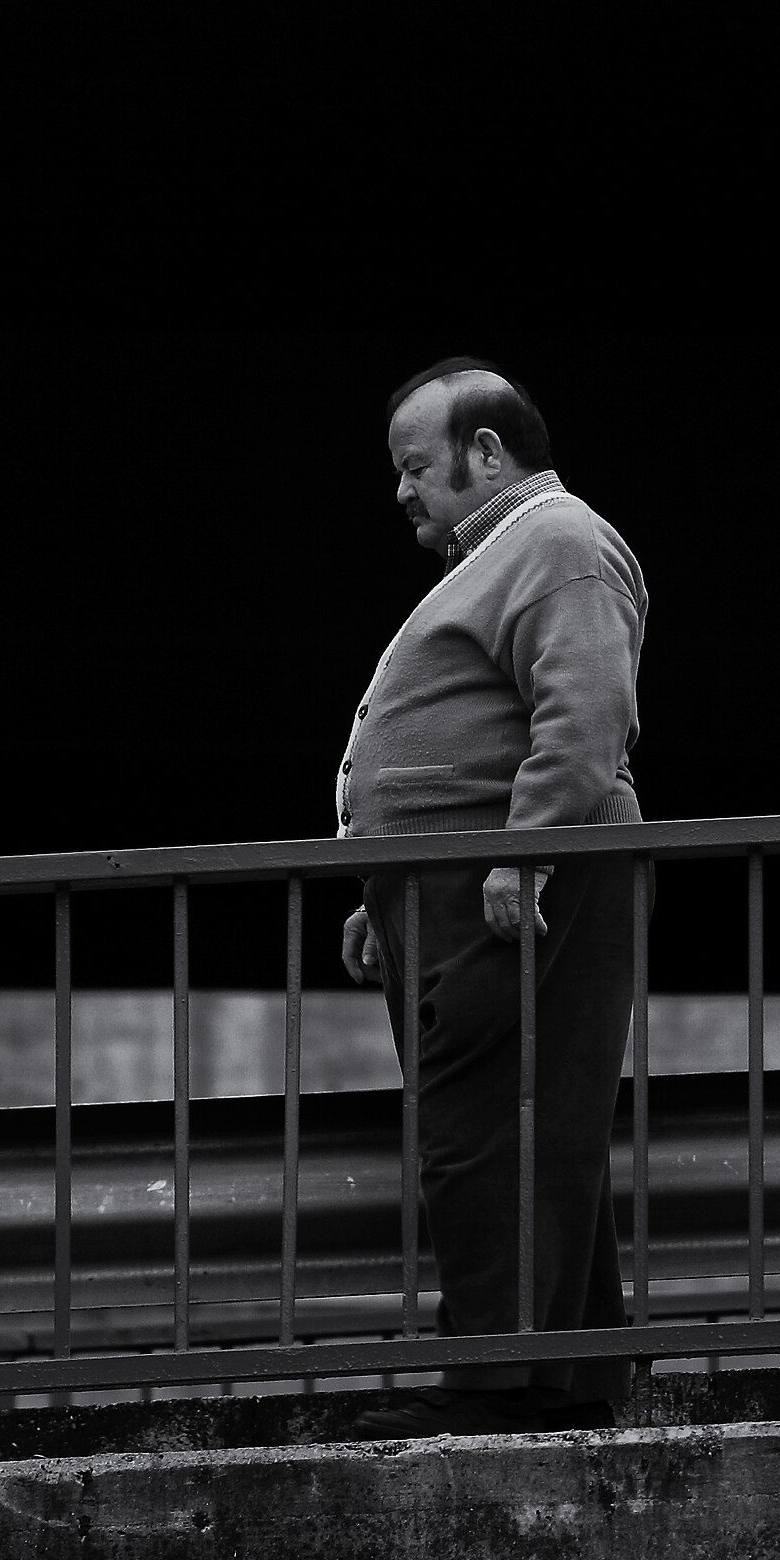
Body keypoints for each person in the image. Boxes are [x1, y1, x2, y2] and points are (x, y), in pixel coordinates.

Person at [336, 356, 651, 1439]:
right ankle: (568, 1384)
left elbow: (584, 711)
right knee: (535, 1128)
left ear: (485, 453)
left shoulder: (558, 542)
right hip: (465, 889)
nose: (401, 490)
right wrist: (380, 894)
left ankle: (491, 1388)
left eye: (416, 466)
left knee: (486, 1130)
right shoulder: (509, 556)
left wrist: (527, 856)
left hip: (511, 890)